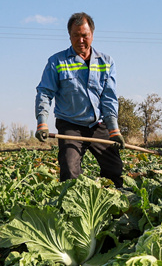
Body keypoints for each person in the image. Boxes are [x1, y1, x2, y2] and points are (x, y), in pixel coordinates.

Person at [35, 12, 124, 187]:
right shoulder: (57, 62)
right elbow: (44, 92)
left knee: (115, 169)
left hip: (98, 124)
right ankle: (72, 210)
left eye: (85, 35)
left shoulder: (106, 62)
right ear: (69, 36)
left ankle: (114, 206)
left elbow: (109, 98)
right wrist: (42, 122)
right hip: (70, 125)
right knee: (69, 170)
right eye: (76, 35)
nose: (80, 40)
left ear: (92, 34)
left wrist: (114, 130)